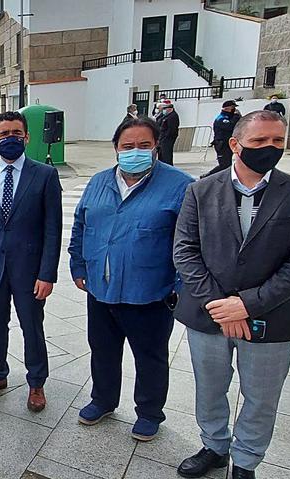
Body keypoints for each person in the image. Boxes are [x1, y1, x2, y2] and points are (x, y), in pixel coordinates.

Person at [173, 110, 290, 479]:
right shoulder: (201, 191)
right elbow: (185, 252)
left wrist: (246, 305)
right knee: (210, 388)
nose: (269, 148)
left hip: (271, 316)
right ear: (236, 144)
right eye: (260, 141)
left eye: (277, 141)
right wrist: (220, 305)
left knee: (261, 398)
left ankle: (245, 464)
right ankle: (214, 446)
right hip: (208, 315)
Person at [68, 118, 193, 441]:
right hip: (100, 288)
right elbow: (80, 226)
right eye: (127, 146)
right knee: (103, 349)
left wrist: (179, 287)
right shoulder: (98, 182)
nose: (134, 152)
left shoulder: (181, 186)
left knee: (150, 357)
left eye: (143, 146)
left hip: (148, 292)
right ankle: (103, 400)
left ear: (156, 148)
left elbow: (192, 242)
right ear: (116, 149)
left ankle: (150, 412)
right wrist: (79, 267)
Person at [0, 111, 62, 410]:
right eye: (4, 134)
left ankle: (36, 383)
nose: (10, 139)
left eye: (16, 133)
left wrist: (47, 274)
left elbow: (52, 229)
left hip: (29, 271)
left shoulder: (44, 175)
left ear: (26, 137)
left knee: (32, 326)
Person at [204, 100, 242, 177]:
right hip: (221, 144)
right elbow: (230, 126)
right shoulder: (221, 118)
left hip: (228, 144)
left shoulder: (229, 117)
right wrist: (236, 117)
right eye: (232, 108)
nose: (234, 110)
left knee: (228, 165)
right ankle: (207, 176)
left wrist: (238, 117)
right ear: (227, 108)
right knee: (224, 165)